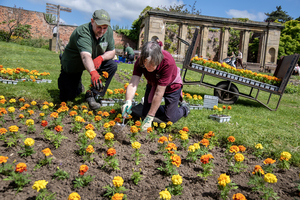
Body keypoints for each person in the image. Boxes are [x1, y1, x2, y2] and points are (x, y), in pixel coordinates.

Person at [121, 41, 190, 130]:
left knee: (169, 118)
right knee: (145, 113)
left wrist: (150, 116)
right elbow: (133, 83)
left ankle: (184, 109)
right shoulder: (140, 62)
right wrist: (128, 101)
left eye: (152, 64)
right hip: (153, 84)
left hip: (171, 87)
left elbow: (159, 93)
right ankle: (168, 108)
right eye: (146, 63)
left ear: (158, 59)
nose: (148, 67)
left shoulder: (168, 62)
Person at [58, 9, 117, 110]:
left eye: (105, 28)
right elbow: (85, 56)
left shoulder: (108, 32)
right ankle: (78, 86)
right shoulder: (83, 32)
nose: (102, 31)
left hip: (93, 61)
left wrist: (101, 57)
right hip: (74, 63)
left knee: (112, 65)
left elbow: (112, 51)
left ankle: (92, 94)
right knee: (68, 97)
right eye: (99, 27)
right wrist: (93, 72)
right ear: (92, 21)